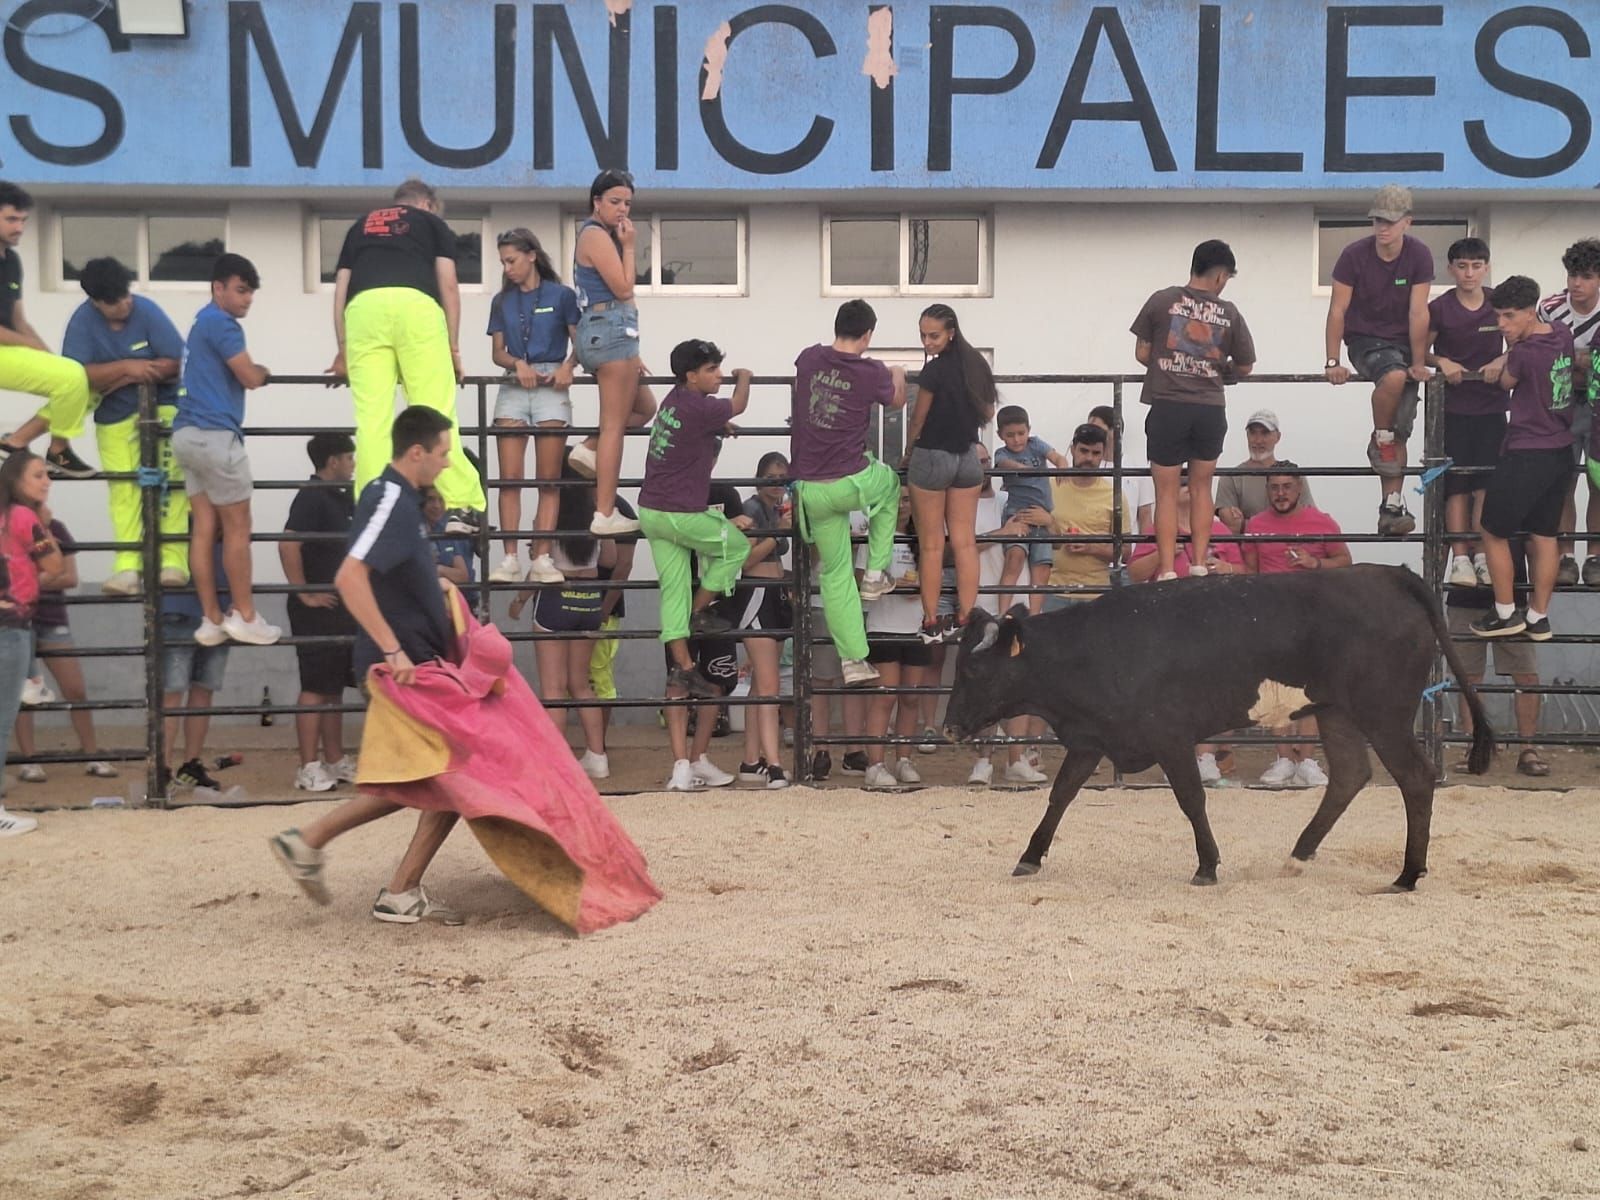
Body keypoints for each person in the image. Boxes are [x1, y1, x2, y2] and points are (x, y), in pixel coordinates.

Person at [269, 406, 469, 926]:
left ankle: (384, 880)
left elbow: (387, 574)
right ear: (417, 452)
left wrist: (436, 586)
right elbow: (351, 576)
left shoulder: (399, 503)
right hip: (402, 667)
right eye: (444, 453)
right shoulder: (389, 498)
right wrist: (393, 650)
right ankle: (319, 847)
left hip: (415, 662)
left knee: (440, 775)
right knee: (446, 774)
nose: (448, 463)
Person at [327, 179, 483, 532]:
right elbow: (448, 285)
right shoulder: (432, 224)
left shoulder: (360, 225)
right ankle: (460, 506)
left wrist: (342, 350)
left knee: (372, 418)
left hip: (363, 310)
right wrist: (453, 347)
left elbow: (340, 291)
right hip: (417, 309)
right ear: (427, 204)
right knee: (436, 410)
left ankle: (373, 505)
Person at [636, 339, 751, 791]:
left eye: (722, 367)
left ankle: (681, 662)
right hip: (679, 512)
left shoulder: (675, 402)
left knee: (672, 587)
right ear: (691, 375)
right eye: (712, 369)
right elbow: (737, 402)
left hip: (653, 512)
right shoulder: (701, 406)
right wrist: (745, 378)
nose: (719, 374)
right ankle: (696, 612)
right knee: (736, 546)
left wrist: (722, 427)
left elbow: (703, 429)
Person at [788, 299, 906, 687]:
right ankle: (875, 572)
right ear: (868, 334)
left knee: (836, 575)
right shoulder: (872, 371)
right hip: (850, 480)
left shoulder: (807, 358)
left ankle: (853, 659)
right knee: (889, 485)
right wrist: (899, 371)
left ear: (836, 325)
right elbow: (898, 399)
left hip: (811, 490)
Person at [56, 257, 190, 595]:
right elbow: (78, 375)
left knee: (171, 484)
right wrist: (131, 367)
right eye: (115, 300)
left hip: (165, 407)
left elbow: (176, 362)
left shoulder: (148, 310)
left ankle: (173, 561)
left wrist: (117, 373)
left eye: (127, 294)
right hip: (112, 416)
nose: (125, 303)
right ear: (96, 301)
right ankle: (127, 567)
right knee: (123, 489)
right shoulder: (81, 322)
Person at [1131, 238, 1256, 580]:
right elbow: (1245, 366)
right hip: (1209, 408)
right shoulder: (1229, 313)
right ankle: (1200, 562)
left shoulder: (1161, 300)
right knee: (1202, 488)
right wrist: (1220, 370)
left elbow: (1142, 353)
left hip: (1168, 404)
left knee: (1166, 492)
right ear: (1219, 276)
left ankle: (1169, 568)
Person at [172, 253, 280, 646]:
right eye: (240, 290)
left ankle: (211, 618)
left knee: (203, 529)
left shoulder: (200, 322)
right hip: (216, 434)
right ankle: (245, 615)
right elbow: (249, 377)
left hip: (185, 435)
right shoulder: (223, 324)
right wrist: (264, 373)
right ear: (218, 288)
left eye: (250, 292)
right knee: (238, 528)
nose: (246, 298)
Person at [1323, 182, 1433, 537]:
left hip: (1403, 344)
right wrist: (1331, 360)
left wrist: (1419, 359)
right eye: (1377, 221)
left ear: (1407, 222)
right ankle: (1379, 434)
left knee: (1402, 423)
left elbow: (1419, 313)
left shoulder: (1419, 255)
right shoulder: (1354, 255)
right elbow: (1337, 309)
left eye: (1390, 221)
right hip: (1366, 340)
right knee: (1394, 379)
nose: (1382, 228)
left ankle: (1392, 504)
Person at [1472, 276, 1575, 642]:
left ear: (1530, 313)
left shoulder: (1524, 354)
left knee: (1492, 530)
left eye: (1509, 316)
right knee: (1544, 535)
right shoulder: (1561, 333)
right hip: (1562, 449)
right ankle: (1538, 617)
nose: (1502, 324)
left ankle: (1504, 613)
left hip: (1528, 451)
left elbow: (1504, 383)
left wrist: (1501, 361)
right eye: (1499, 315)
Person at [1242, 465, 1352, 787]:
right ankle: (1283, 759)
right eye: (1274, 487)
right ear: (1267, 490)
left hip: (1315, 618)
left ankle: (1307, 759)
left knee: (1312, 690)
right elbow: (1250, 572)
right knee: (1274, 690)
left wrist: (1314, 563)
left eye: (1286, 486)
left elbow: (1345, 562)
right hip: (1271, 618)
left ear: (1299, 487)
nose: (1280, 493)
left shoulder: (1323, 522)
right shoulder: (1256, 525)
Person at [509, 455, 614, 782]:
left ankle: (556, 763)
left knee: (553, 689)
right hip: (589, 600)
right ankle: (598, 757)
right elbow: (609, 558)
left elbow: (538, 564)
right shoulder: (597, 513)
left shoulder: (548, 513)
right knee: (581, 685)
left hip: (555, 599)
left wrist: (520, 600)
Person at [485, 228, 580, 584]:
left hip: (551, 385)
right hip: (514, 384)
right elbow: (497, 352)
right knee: (509, 478)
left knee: (548, 480)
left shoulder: (562, 295)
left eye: (511, 260)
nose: (507, 268)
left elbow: (580, 342)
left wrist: (568, 367)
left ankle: (541, 557)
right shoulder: (501, 301)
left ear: (531, 256)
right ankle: (509, 557)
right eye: (503, 262)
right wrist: (515, 364)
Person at [572, 168, 657, 536]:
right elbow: (623, 289)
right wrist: (629, 246)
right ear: (597, 202)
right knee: (613, 428)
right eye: (615, 201)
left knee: (645, 408)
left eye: (627, 203)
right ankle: (604, 511)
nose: (622, 209)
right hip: (609, 332)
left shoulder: (597, 234)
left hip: (613, 334)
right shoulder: (594, 235)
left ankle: (588, 448)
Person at [906, 303, 996, 643]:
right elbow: (987, 411)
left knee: (931, 545)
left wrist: (907, 451)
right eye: (923, 336)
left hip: (932, 455)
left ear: (950, 333)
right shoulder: (976, 366)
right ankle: (966, 614)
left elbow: (918, 419)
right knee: (965, 542)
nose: (927, 342)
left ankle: (931, 622)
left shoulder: (934, 372)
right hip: (968, 457)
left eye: (933, 335)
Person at [12, 510, 117, 783]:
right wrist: (41, 578)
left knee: (75, 689)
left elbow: (70, 577)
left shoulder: (54, 527)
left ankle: (91, 755)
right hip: (18, 622)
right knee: (24, 693)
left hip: (51, 619)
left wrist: (27, 582)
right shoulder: (9, 525)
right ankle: (29, 760)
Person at [0, 181, 95, 479]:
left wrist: (50, 357)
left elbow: (19, 321)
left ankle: (16, 442)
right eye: (11, 219)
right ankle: (58, 451)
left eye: (23, 220)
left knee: (86, 387)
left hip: (8, 348)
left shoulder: (12, 260)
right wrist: (33, 348)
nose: (19, 227)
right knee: (71, 379)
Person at [280, 432, 358, 794]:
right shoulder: (311, 496)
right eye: (349, 458)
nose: (353, 464)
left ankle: (334, 760)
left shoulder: (340, 498)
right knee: (314, 688)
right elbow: (288, 543)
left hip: (340, 605)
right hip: (317, 608)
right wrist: (305, 592)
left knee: (333, 689)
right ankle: (307, 766)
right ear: (333, 462)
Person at [1427, 237, 1504, 589]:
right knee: (1455, 486)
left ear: (1486, 267)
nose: (1469, 272)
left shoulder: (1498, 302)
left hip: (1491, 409)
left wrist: (1502, 361)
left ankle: (1483, 554)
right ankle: (1460, 557)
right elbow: (1419, 350)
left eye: (1476, 265)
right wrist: (1441, 360)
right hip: (1452, 411)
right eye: (1462, 265)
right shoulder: (1440, 307)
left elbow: (1522, 341)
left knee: (1486, 486)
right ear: (1450, 269)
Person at [0, 452, 65, 836]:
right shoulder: (23, 518)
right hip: (11, 625)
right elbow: (55, 567)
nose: (46, 481)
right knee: (3, 719)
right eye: (38, 475)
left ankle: (34, 680)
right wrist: (43, 519)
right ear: (17, 481)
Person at [1445, 540, 1546, 778]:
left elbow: (1533, 546)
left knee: (1527, 675)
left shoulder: (1512, 503)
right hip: (1466, 597)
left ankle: (1528, 749)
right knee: (1469, 677)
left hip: (1514, 597)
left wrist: (1535, 597)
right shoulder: (1461, 502)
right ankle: (1474, 746)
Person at [1536, 238, 1600, 586]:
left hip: (1599, 406)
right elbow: (1537, 353)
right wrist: (1586, 360)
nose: (1577, 283)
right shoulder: (1550, 308)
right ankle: (1565, 556)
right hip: (1560, 403)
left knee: (1598, 482)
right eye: (1573, 275)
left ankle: (1595, 556)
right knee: (1561, 481)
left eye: (1587, 276)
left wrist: (1577, 360)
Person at [860, 488, 931, 789]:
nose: (902, 506)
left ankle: (904, 758)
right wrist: (892, 584)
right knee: (884, 697)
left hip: (915, 625)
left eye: (906, 500)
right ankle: (875, 764)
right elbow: (859, 576)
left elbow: (935, 574)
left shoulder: (923, 538)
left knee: (911, 697)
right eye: (896, 500)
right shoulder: (875, 536)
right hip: (883, 623)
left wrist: (922, 587)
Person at [731, 451, 793, 789]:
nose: (777, 485)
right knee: (769, 685)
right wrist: (778, 532)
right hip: (756, 594)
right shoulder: (752, 508)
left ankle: (751, 760)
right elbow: (744, 559)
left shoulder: (776, 508)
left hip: (777, 594)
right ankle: (775, 765)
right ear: (759, 477)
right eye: (771, 478)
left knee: (760, 683)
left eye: (782, 479)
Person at [159, 537, 233, 794]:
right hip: (182, 604)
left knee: (202, 688)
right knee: (174, 692)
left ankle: (189, 765)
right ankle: (163, 768)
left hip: (216, 605)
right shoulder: (191, 505)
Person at [1027, 424, 1116, 609]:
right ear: (1072, 449)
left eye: (1095, 453)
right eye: (1084, 451)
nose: (1089, 458)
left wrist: (1092, 548)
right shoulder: (1048, 487)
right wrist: (1051, 525)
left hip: (1097, 594)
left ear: (1104, 453)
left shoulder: (1114, 493)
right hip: (1052, 590)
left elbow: (1125, 552)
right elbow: (1028, 534)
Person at [991, 404, 1068, 613]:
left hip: (1042, 514)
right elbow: (1005, 464)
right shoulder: (1001, 453)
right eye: (1010, 435)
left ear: (1029, 430)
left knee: (1042, 566)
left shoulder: (1036, 444)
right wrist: (1022, 468)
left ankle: (1035, 614)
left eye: (1021, 433)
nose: (1017, 439)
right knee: (1014, 557)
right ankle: (1003, 612)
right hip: (1018, 513)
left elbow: (1056, 456)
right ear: (1000, 435)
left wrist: (1062, 465)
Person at [1213, 410, 1318, 532]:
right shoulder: (1231, 477)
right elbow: (1230, 525)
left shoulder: (1294, 475)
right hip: (1248, 548)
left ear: (1278, 437)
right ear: (1247, 436)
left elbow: (1311, 521)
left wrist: (1246, 525)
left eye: (1265, 433)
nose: (1258, 440)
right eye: (1253, 433)